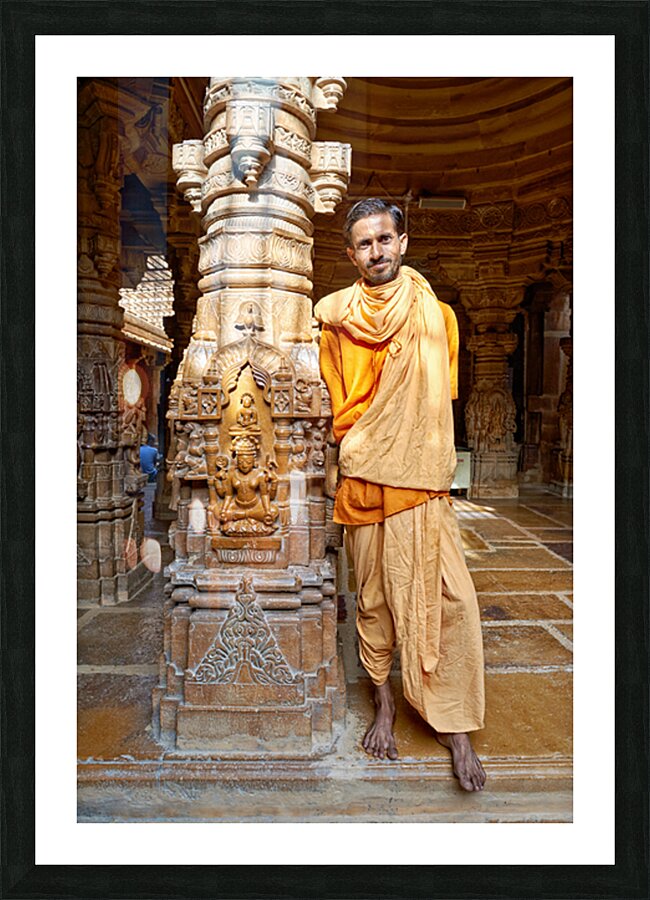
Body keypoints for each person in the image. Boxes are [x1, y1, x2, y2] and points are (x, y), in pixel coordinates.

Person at [315, 198, 486, 791]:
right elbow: (338, 406)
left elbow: (440, 406)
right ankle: (386, 706)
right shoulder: (335, 319)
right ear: (350, 253)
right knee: (375, 600)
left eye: (384, 239)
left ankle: (454, 720)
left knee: (451, 598)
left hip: (420, 483)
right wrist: (368, 440)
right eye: (363, 244)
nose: (376, 252)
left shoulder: (435, 315)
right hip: (366, 479)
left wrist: (411, 452)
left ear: (403, 241)